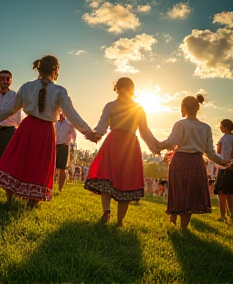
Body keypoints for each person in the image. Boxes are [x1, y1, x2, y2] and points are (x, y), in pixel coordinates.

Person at [0, 54, 97, 208]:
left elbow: (8, 110)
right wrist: (89, 132)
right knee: (39, 165)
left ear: (39, 68)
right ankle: (32, 200)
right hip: (45, 131)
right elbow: (72, 115)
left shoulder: (27, 87)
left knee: (19, 161)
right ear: (55, 69)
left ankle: (10, 198)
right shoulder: (59, 91)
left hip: (27, 128)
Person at [84, 77, 158, 227]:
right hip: (125, 144)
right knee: (118, 180)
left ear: (119, 88)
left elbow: (101, 127)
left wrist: (156, 146)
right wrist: (155, 146)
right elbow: (144, 132)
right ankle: (116, 219)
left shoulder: (115, 106)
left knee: (110, 178)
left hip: (119, 143)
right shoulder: (133, 107)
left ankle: (109, 213)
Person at [157, 94, 229, 233]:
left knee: (177, 191)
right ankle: (183, 228)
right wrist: (222, 162)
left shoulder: (180, 124)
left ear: (183, 108)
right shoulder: (206, 128)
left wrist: (156, 146)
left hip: (179, 161)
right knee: (189, 194)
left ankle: (172, 223)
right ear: (197, 108)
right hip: (196, 163)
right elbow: (210, 152)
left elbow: (171, 143)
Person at [214, 119, 233, 222]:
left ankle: (223, 216)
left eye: (220, 125)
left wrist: (223, 163)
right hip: (231, 167)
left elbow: (224, 154)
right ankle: (232, 214)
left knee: (222, 193)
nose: (220, 127)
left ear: (225, 127)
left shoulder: (225, 139)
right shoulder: (231, 138)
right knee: (230, 192)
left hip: (225, 167)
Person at [55, 111, 77, 192]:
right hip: (54, 146)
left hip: (64, 146)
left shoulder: (69, 124)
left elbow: (74, 135)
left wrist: (72, 144)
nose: (60, 114)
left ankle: (60, 189)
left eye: (62, 112)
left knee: (62, 168)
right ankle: (49, 186)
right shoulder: (54, 123)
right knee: (52, 166)